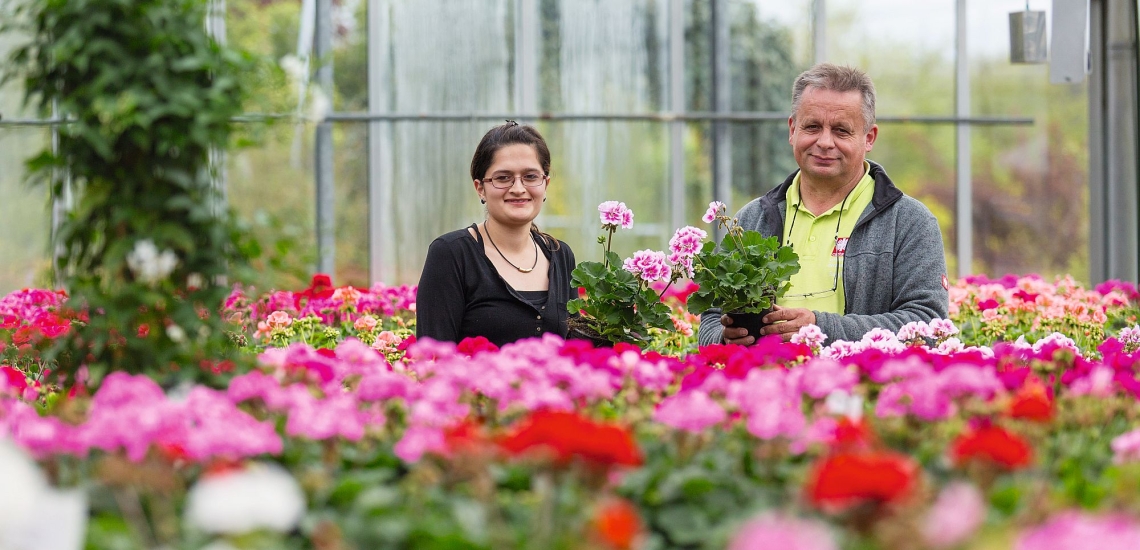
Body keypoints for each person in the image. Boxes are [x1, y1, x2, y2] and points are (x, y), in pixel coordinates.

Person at [698, 63, 949, 346]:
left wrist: (820, 327)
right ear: (793, 129)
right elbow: (711, 316)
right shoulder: (752, 219)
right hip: (764, 383)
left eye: (841, 130)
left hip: (862, 387)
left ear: (869, 138)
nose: (825, 142)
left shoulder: (909, 222)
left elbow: (927, 324)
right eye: (813, 126)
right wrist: (724, 338)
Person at [416, 122, 576, 348]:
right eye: (503, 178)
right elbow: (432, 358)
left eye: (530, 176)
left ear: (545, 183)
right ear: (480, 187)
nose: (518, 188)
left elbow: (575, 351)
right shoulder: (452, 254)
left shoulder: (560, 255)